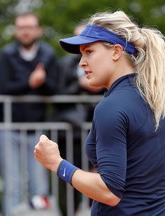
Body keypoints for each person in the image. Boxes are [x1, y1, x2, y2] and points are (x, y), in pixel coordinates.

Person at [34, 10, 165, 216]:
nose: (81, 62)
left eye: (89, 52)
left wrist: (57, 163)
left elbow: (109, 191)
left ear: (116, 52)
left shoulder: (110, 107)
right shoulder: (164, 110)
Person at [0, 11, 58, 215]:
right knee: (12, 186)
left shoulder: (48, 54)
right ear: (16, 30)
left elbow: (55, 89)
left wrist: (43, 82)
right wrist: (31, 82)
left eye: (29, 27)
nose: (25, 31)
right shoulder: (6, 54)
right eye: (21, 27)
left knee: (39, 187)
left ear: (38, 30)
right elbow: (4, 87)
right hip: (9, 127)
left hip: (38, 129)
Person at [50, 20, 104, 215]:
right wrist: (80, 85)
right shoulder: (64, 64)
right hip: (70, 132)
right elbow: (57, 96)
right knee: (69, 179)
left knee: (98, 178)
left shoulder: (104, 62)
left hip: (97, 130)